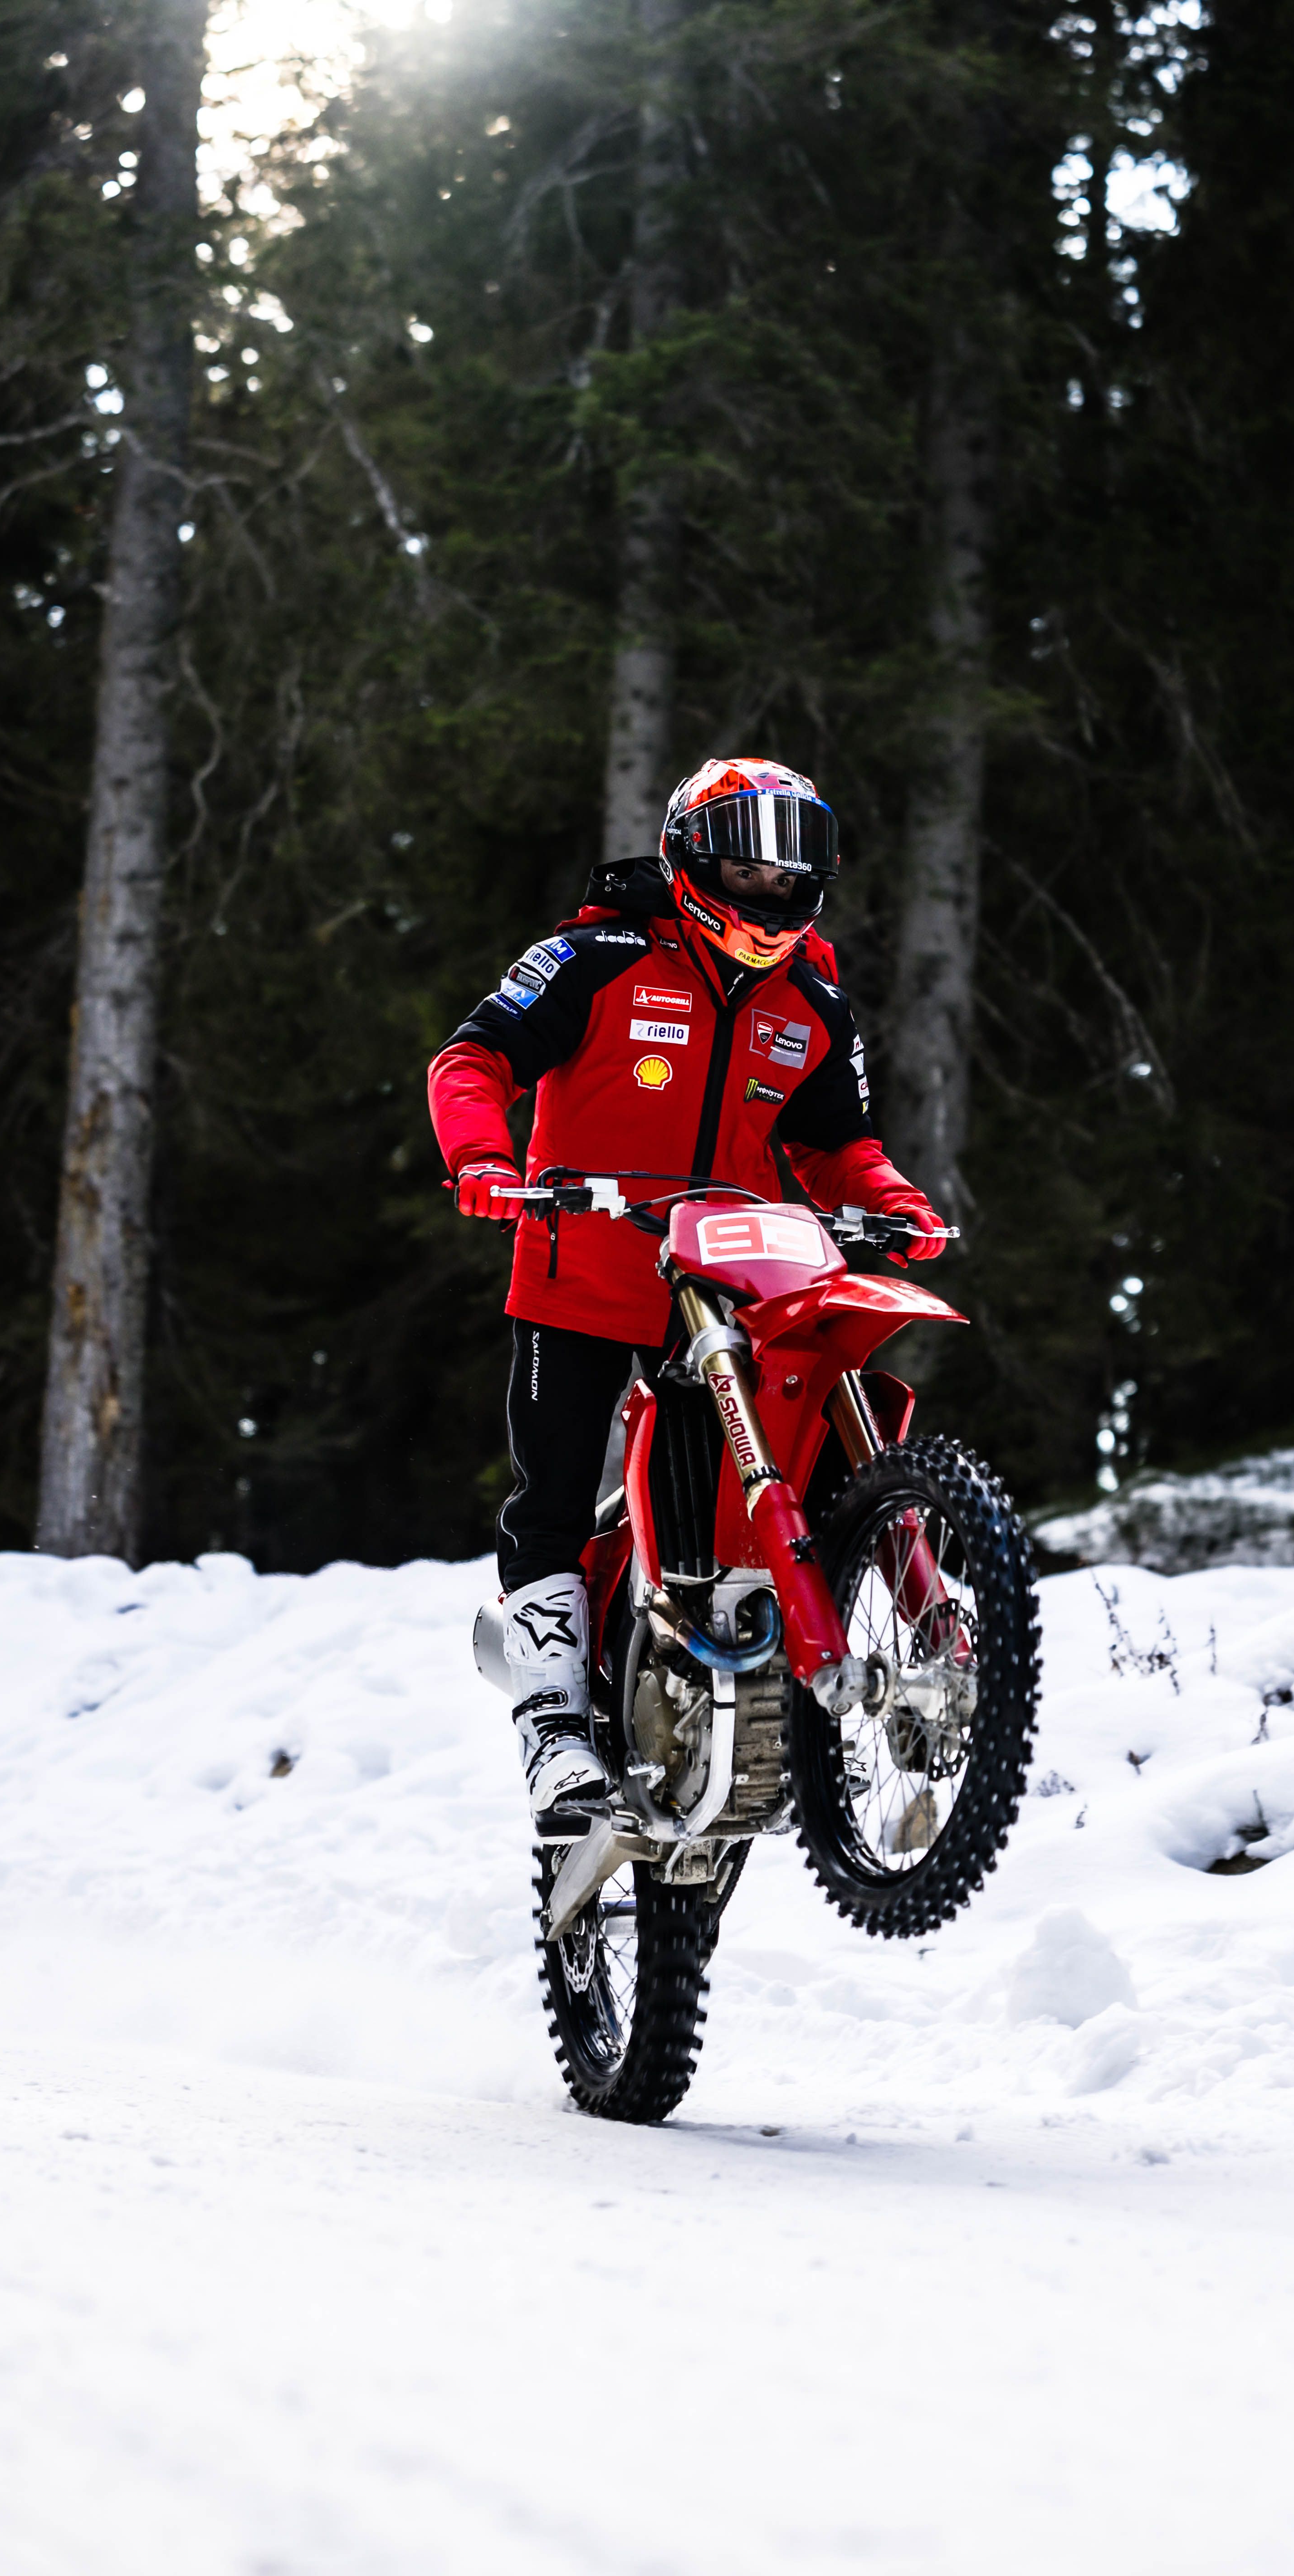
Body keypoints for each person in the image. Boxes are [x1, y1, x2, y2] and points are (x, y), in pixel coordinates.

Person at [425, 757, 953, 1832]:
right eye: (749, 864)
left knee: (777, 1473)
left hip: (732, 1281)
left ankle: (809, 1681)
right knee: (555, 1496)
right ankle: (555, 1729)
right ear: (692, 857)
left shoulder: (813, 1000)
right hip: (582, 1269)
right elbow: (472, 1058)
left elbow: (839, 1144)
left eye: (790, 867)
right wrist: (482, 1161)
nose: (771, 887)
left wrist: (894, 1197)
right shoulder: (594, 955)